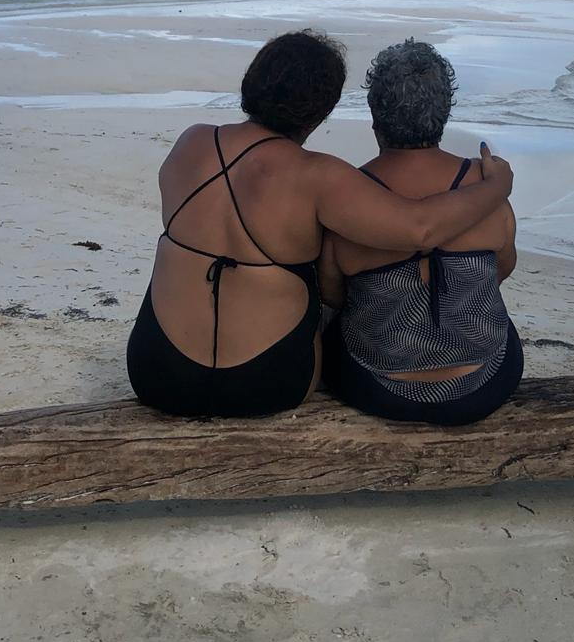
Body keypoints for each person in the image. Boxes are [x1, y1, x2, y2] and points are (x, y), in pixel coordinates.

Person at [127, 29, 513, 418]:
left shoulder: (192, 142)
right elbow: (420, 230)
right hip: (265, 385)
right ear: (321, 112)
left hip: (156, 373)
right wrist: (497, 186)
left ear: (252, 82)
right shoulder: (320, 178)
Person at [321, 39, 521, 426]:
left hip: (380, 389)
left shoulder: (350, 194)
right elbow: (502, 269)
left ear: (375, 116)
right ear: (444, 112)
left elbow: (332, 293)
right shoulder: (486, 187)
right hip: (483, 385)